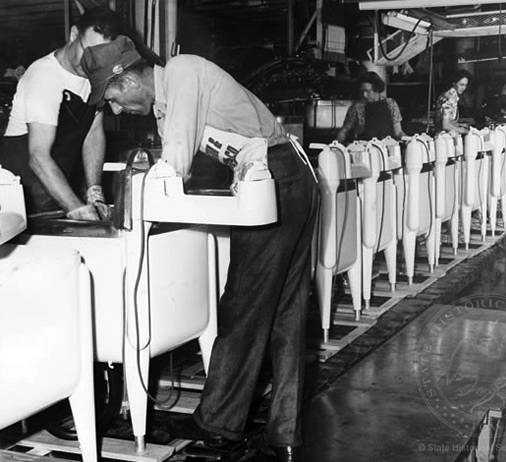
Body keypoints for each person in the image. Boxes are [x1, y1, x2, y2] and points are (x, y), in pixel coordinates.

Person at [81, 36, 319, 462]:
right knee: (285, 311)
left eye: (113, 97)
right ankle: (285, 433)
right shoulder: (165, 107)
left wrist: (129, 209)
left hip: (275, 178)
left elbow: (174, 163)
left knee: (242, 303)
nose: (115, 109)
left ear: (129, 79)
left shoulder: (183, 71)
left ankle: (220, 426)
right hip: (289, 175)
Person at [0, 7, 118, 219]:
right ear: (73, 35)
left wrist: (94, 193)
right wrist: (77, 208)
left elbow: (93, 134)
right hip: (21, 202)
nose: (92, 63)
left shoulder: (94, 79)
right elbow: (38, 157)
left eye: (101, 58)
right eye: (88, 52)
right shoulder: (45, 75)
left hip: (56, 198)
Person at [336, 71, 406, 143]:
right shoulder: (357, 107)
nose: (364, 95)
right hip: (365, 149)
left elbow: (398, 132)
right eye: (362, 91)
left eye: (367, 91)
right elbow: (344, 131)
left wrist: (407, 139)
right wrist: (336, 145)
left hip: (388, 148)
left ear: (377, 89)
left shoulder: (391, 104)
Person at [434, 69, 471, 135]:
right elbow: (445, 125)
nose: (463, 88)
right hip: (445, 137)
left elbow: (447, 119)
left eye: (465, 85)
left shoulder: (447, 94)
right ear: (454, 83)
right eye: (461, 84)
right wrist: (465, 131)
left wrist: (459, 125)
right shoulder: (451, 98)